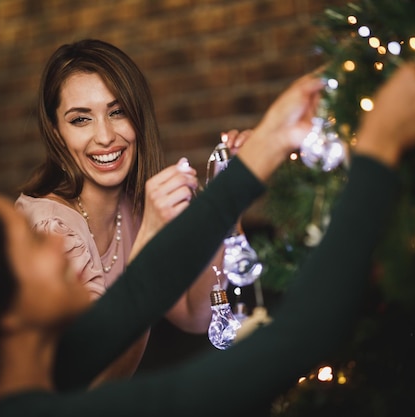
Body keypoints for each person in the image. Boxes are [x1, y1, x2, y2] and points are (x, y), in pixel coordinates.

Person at [0, 61, 415, 417]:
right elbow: (299, 338)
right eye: (30, 248)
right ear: (1, 313)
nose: (52, 243)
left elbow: (142, 289)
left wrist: (268, 144)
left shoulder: (36, 372)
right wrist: (377, 153)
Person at [15, 39, 252, 379]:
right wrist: (151, 236)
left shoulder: (135, 210)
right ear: (56, 133)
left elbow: (196, 315)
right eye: (81, 120)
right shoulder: (50, 229)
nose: (106, 136)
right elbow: (97, 376)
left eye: (117, 111)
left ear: (139, 117)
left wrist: (226, 201)